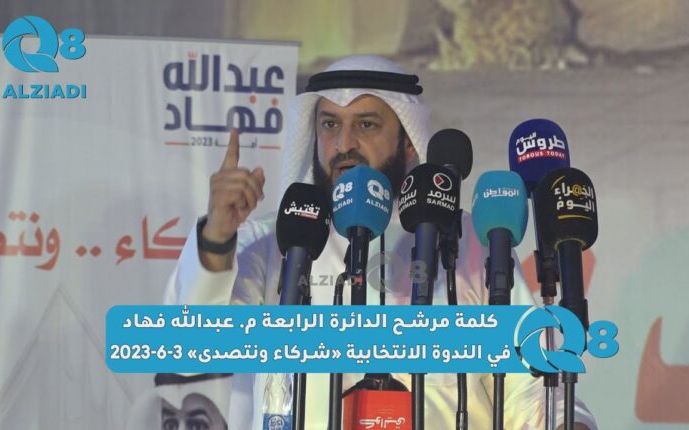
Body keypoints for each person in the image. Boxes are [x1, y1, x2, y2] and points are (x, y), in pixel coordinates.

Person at [165, 55, 597, 429]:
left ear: (408, 143)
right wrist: (217, 236)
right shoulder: (274, 242)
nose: (343, 144)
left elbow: (531, 382)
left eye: (366, 125)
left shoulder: (470, 240)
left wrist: (568, 421)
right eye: (329, 125)